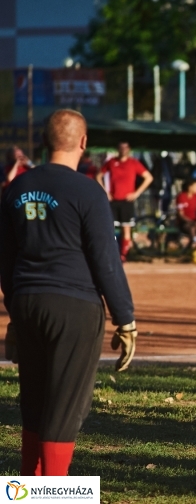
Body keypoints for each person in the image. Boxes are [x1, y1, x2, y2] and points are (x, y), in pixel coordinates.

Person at [0, 109, 136, 476]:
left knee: (35, 404)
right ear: (83, 142)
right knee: (64, 408)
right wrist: (126, 319)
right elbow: (106, 261)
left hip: (27, 301)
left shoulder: (17, 188)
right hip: (75, 307)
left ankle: (29, 490)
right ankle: (52, 494)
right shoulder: (88, 190)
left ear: (44, 142)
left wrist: (16, 309)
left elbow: (6, 259)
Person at [96, 142, 154, 262]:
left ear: (129, 149)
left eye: (126, 147)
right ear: (118, 149)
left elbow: (149, 178)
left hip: (126, 201)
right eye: (121, 147)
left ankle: (123, 255)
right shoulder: (111, 162)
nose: (123, 150)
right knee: (109, 228)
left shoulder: (133, 163)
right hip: (113, 200)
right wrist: (105, 192)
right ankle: (110, 253)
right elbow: (98, 176)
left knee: (126, 228)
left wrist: (136, 193)